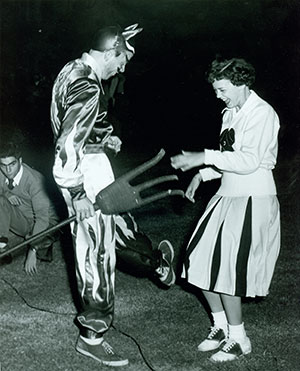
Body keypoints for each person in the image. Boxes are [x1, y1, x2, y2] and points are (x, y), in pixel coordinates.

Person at [51, 24, 172, 367]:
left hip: (89, 168)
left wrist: (102, 140)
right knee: (96, 257)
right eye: (121, 60)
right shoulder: (87, 86)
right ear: (109, 52)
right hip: (82, 177)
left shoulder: (72, 70)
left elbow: (73, 127)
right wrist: (77, 193)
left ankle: (156, 264)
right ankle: (92, 337)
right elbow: (67, 144)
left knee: (118, 230)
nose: (121, 69)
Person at [171, 57, 280, 363]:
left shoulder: (262, 114)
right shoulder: (230, 113)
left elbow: (248, 162)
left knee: (228, 271)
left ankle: (239, 337)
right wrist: (202, 174)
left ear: (241, 82)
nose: (218, 95)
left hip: (251, 197)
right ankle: (220, 326)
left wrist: (202, 157)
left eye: (222, 89)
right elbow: (229, 158)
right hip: (227, 193)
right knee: (198, 260)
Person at [100, 74, 175, 287]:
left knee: (127, 243)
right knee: (96, 248)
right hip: (78, 186)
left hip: (102, 183)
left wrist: (108, 141)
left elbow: (107, 129)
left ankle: (156, 262)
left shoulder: (103, 104)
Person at [0, 140, 58, 274]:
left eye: (12, 164)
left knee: (42, 248)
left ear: (20, 161)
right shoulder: (1, 173)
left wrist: (32, 249)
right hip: (24, 219)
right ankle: (2, 246)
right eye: (3, 165)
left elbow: (42, 218)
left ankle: (41, 242)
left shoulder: (35, 181)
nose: (8, 170)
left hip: (48, 222)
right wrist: (7, 194)